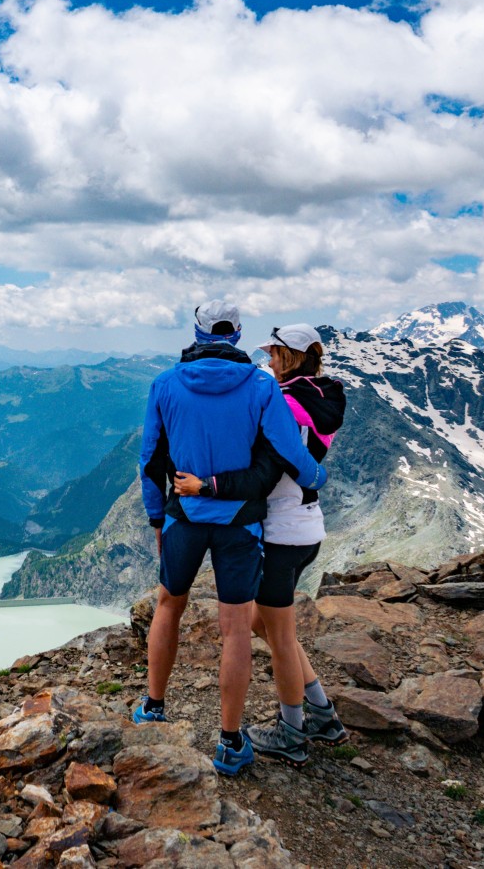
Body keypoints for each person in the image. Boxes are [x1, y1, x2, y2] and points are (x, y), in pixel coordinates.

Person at [137, 302, 328, 777]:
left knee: (168, 605)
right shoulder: (261, 385)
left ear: (197, 331)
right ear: (238, 334)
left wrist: (157, 516)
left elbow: (151, 459)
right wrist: (315, 476)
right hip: (241, 522)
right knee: (236, 627)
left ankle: (153, 708)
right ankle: (229, 742)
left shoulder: (165, 383)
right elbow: (287, 447)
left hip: (185, 515)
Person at [175, 323, 348, 767]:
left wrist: (206, 485)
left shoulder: (282, 407)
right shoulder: (323, 397)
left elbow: (263, 475)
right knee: (263, 625)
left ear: (288, 357)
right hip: (307, 527)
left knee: (282, 638)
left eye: (273, 354)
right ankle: (322, 713)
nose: (268, 360)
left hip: (280, 531)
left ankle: (292, 733)